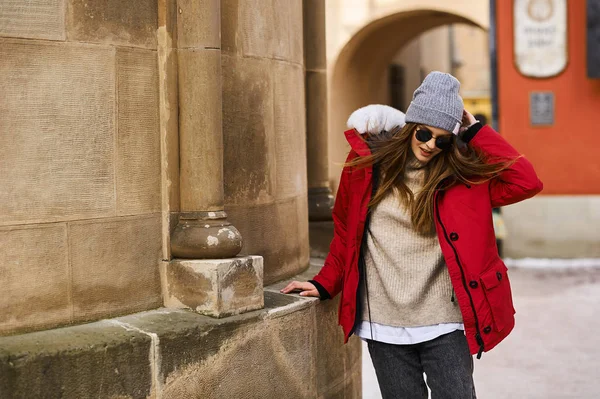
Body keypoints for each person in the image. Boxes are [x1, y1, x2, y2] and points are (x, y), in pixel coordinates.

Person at [281, 72, 543, 398]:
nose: (431, 145)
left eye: (443, 139)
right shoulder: (366, 165)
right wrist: (324, 282)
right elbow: (347, 232)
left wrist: (475, 131)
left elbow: (526, 181)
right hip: (384, 322)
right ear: (409, 126)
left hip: (445, 322)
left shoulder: (464, 179)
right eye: (424, 133)